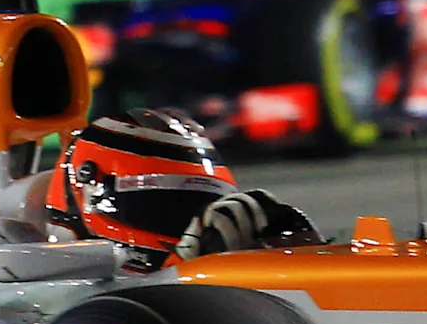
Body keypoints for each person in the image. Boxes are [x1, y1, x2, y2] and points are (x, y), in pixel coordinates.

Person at [43, 109, 320, 270]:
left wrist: (302, 253)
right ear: (88, 191)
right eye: (163, 206)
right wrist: (187, 270)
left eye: (200, 206)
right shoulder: (36, 300)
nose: (193, 226)